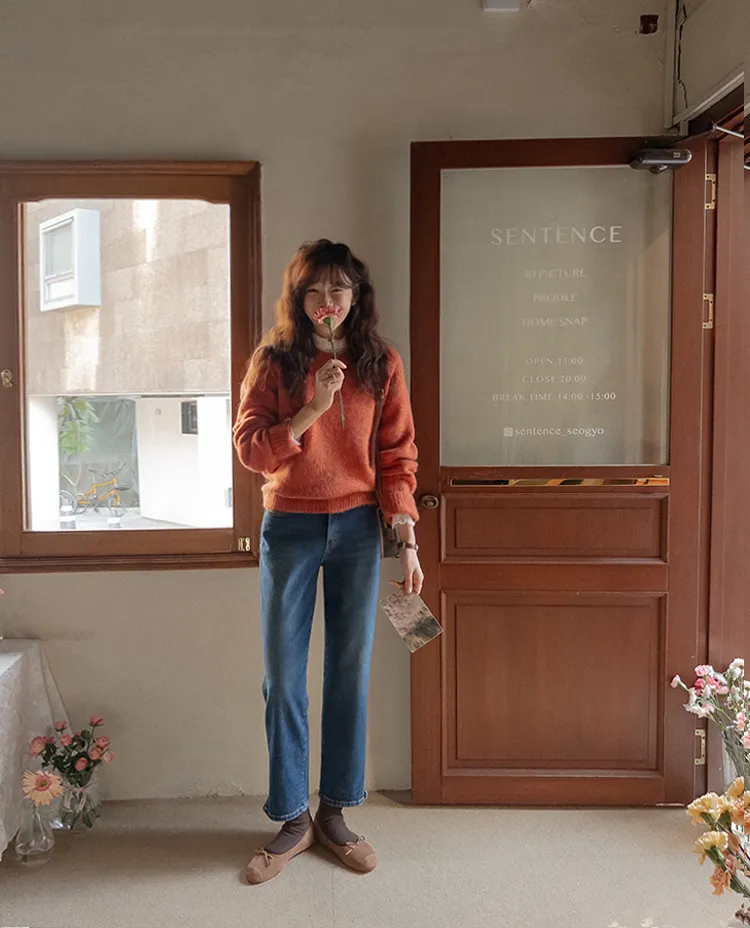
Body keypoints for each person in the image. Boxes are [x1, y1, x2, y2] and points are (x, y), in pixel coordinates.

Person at [233, 239, 424, 884]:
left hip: (359, 529)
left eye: (338, 289)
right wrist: (312, 406)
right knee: (283, 679)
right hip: (289, 525)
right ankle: (293, 819)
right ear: (298, 298)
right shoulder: (275, 361)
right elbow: (250, 449)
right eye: (314, 290)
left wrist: (408, 538)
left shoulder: (381, 362)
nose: (327, 301)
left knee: (348, 673)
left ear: (356, 296)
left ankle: (336, 813)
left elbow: (397, 454)